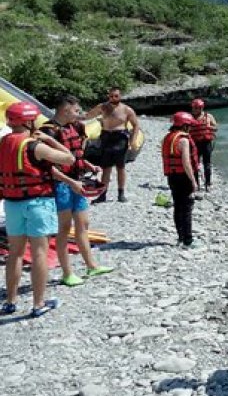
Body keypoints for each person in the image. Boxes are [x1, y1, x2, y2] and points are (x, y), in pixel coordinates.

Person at [0, 101, 75, 317]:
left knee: (14, 254)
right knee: (39, 252)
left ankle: (10, 302)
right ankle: (38, 303)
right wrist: (51, 140)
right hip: (38, 203)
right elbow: (69, 158)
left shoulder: (3, 143)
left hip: (12, 204)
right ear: (29, 121)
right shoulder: (35, 146)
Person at [40, 95, 113, 287]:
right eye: (76, 111)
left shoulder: (76, 128)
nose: (79, 114)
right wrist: (69, 181)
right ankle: (67, 273)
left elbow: (75, 155)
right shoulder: (47, 133)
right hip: (61, 184)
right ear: (65, 110)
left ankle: (91, 265)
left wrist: (87, 164)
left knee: (83, 224)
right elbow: (48, 167)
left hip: (78, 182)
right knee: (64, 229)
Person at [85, 87, 141, 203]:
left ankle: (121, 193)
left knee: (120, 167)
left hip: (120, 138)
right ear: (108, 96)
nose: (113, 98)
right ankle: (102, 194)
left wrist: (133, 141)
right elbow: (88, 116)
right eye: (111, 96)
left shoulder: (127, 110)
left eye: (116, 96)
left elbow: (135, 125)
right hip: (106, 137)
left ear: (120, 96)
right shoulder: (103, 107)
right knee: (106, 168)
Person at [161, 112, 199, 247]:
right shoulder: (183, 140)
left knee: (177, 206)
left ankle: (180, 237)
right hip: (183, 177)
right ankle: (188, 240)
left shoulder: (167, 138)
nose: (190, 128)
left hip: (172, 177)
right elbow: (186, 163)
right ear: (184, 125)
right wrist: (193, 180)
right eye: (189, 126)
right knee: (187, 208)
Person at [188, 98, 217, 192]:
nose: (194, 110)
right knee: (194, 164)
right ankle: (196, 184)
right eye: (193, 107)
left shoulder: (208, 116)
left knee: (207, 164)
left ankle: (208, 184)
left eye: (196, 108)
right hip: (194, 144)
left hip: (206, 143)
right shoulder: (189, 117)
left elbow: (216, 128)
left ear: (201, 108)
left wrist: (209, 127)